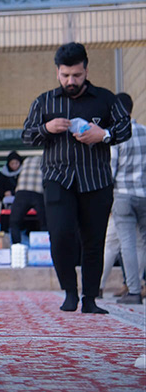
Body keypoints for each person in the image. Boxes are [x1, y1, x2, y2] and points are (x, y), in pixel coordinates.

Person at [22, 42, 131, 314]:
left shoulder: (105, 99)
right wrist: (47, 128)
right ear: (57, 72)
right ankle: (70, 292)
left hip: (96, 180)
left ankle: (90, 299)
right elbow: (26, 135)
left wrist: (103, 134)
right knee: (60, 236)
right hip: (57, 179)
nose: (71, 81)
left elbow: (125, 127)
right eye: (65, 75)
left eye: (77, 75)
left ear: (86, 70)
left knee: (94, 241)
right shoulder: (44, 101)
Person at [99, 93, 145, 305]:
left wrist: (105, 201)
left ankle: (133, 291)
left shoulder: (116, 137)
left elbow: (111, 171)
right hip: (144, 195)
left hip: (123, 196)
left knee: (124, 244)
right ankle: (136, 288)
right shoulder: (145, 132)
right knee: (141, 244)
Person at [8, 155, 46, 246]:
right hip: (38, 193)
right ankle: (46, 246)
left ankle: (16, 247)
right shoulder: (46, 161)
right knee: (45, 222)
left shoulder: (26, 161)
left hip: (22, 192)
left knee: (14, 222)